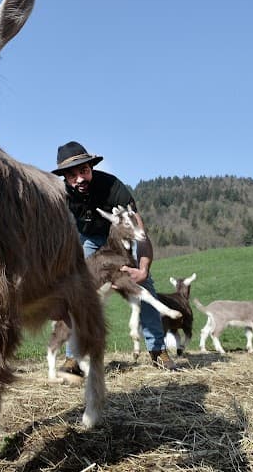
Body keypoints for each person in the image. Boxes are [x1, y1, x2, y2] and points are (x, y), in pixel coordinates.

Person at [52, 140, 176, 373]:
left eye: (84, 171)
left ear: (91, 168)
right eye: (72, 175)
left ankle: (158, 350)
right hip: (88, 240)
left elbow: (140, 233)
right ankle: (73, 357)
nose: (79, 178)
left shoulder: (113, 187)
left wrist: (144, 269)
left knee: (144, 285)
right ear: (65, 178)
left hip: (121, 240)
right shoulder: (60, 196)